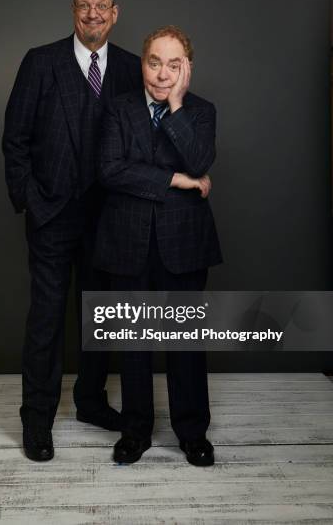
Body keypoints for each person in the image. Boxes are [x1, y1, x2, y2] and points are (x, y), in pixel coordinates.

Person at [2, 0, 142, 461]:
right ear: (73, 10)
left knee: (100, 318)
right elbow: (15, 139)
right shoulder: (41, 62)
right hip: (52, 215)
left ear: (115, 12)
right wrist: (31, 201)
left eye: (101, 6)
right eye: (84, 6)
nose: (93, 15)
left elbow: (147, 140)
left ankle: (90, 402)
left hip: (109, 218)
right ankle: (37, 419)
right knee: (46, 320)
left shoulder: (130, 68)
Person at [94, 25, 222, 466]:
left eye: (174, 64)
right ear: (142, 62)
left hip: (183, 243)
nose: (162, 73)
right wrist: (175, 180)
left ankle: (192, 433)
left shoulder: (201, 112)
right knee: (134, 341)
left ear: (186, 68)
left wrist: (177, 106)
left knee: (185, 342)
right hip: (127, 242)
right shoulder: (118, 108)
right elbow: (110, 170)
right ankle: (135, 431)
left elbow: (200, 160)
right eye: (154, 62)